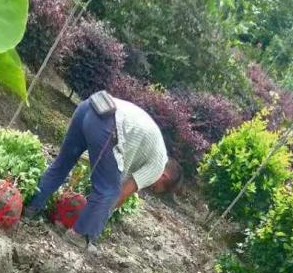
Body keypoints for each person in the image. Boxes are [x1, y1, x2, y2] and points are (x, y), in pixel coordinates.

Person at [24, 91, 182, 249]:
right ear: (164, 177)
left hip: (90, 105)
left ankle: (31, 208)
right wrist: (98, 213)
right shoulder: (158, 165)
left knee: (63, 163)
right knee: (109, 191)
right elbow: (120, 193)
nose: (150, 188)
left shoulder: (155, 147)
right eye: (155, 187)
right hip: (107, 123)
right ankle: (80, 236)